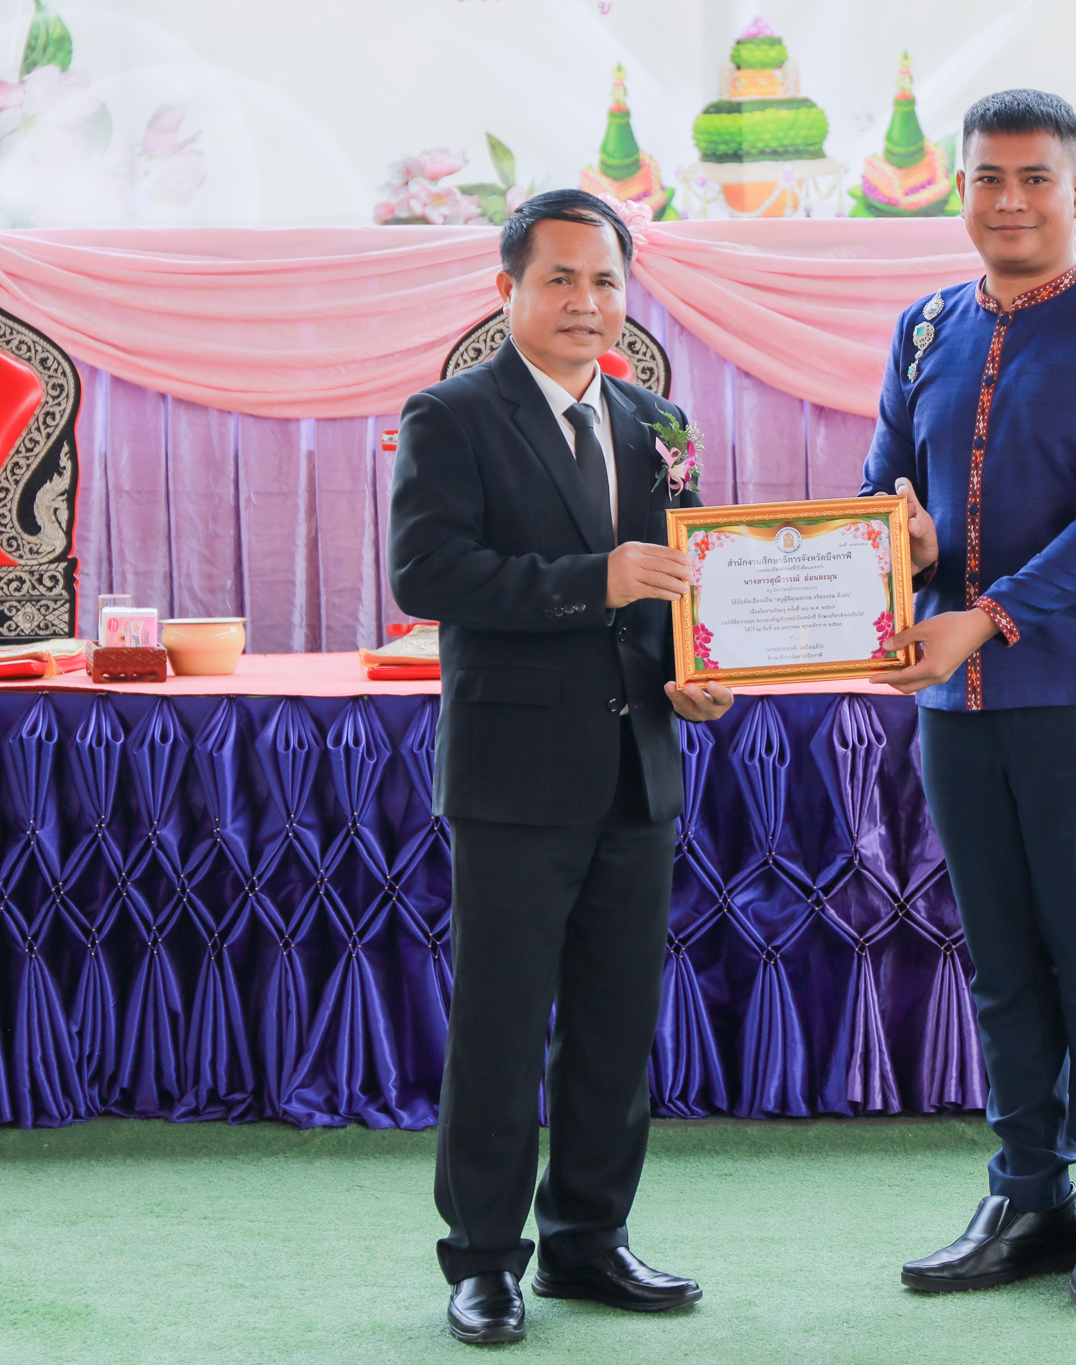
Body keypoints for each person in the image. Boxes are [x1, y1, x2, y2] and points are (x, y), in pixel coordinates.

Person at [388, 189, 733, 1346]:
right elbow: (427, 574)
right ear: (507, 291)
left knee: (614, 1024)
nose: (587, 302)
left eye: (605, 281)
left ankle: (588, 1241)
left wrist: (701, 673)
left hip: (639, 766)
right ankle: (484, 1261)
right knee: (498, 1028)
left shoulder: (660, 423)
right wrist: (595, 578)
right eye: (560, 279)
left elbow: (685, 584)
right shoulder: (451, 416)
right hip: (514, 774)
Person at [862, 89, 1076, 1311]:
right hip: (953, 705)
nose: (1007, 201)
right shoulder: (922, 328)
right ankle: (1027, 1197)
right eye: (986, 179)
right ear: (958, 189)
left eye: (1032, 179)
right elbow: (882, 492)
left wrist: (985, 614)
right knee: (999, 964)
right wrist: (899, 542)